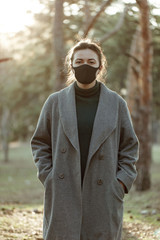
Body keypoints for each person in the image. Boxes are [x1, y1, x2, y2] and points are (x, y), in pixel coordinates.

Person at [31, 38, 139, 240]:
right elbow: (40, 142)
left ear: (100, 66)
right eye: (79, 61)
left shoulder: (116, 103)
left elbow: (129, 147)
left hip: (104, 190)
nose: (85, 66)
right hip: (63, 187)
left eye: (91, 61)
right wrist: (49, 176)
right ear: (71, 65)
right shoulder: (55, 102)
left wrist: (120, 182)